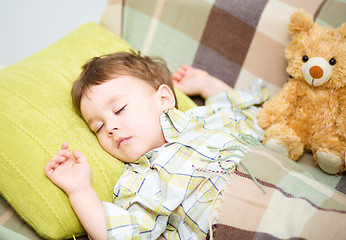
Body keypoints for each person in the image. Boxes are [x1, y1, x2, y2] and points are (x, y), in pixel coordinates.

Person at [45, 51, 269, 239]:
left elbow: (253, 116)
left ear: (163, 100)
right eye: (99, 127)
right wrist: (79, 190)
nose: (111, 127)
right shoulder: (139, 181)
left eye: (119, 108)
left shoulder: (202, 120)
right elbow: (121, 233)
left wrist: (205, 84)